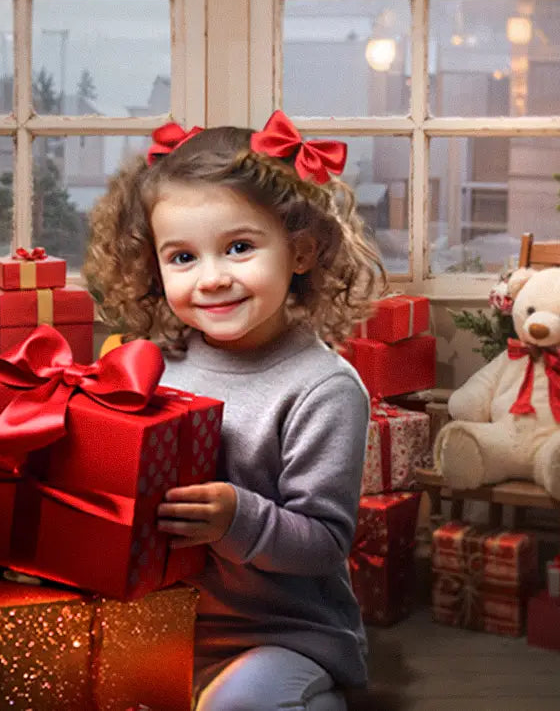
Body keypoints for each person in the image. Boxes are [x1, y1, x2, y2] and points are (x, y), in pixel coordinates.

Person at [83, 111, 386, 711]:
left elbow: (325, 543)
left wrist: (237, 518)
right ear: (154, 267)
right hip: (163, 625)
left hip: (283, 635)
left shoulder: (322, 387)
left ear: (299, 251)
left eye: (239, 248)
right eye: (183, 258)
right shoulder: (154, 365)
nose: (213, 278)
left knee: (242, 704)